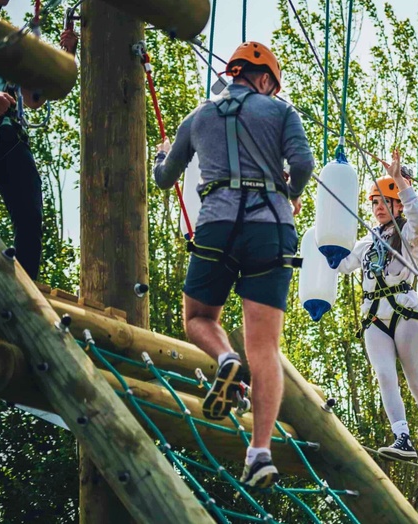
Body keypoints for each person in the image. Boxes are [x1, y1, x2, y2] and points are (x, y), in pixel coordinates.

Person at [152, 41, 314, 489]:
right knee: (264, 347)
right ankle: (259, 453)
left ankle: (224, 356)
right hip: (271, 229)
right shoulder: (281, 113)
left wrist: (162, 156)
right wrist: (290, 193)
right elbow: (302, 163)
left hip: (218, 225)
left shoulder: (199, 116)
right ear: (264, 80)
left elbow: (165, 179)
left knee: (199, 317)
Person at [336, 150, 418, 469]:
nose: (378, 208)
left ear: (397, 204)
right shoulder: (368, 241)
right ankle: (402, 438)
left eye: (384, 202)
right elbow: (343, 264)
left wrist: (400, 181)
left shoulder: (407, 235)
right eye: (374, 203)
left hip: (405, 313)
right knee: (385, 376)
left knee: (415, 381)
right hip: (374, 317)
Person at [0, 0, 78, 280]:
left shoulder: (11, 36)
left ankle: (25, 291)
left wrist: (66, 55)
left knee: (30, 213)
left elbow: (32, 98)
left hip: (6, 134)